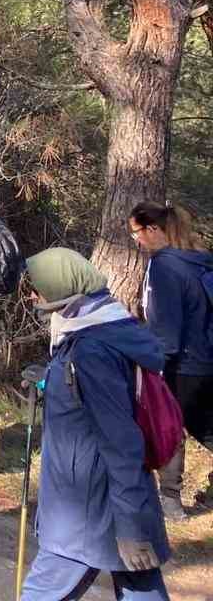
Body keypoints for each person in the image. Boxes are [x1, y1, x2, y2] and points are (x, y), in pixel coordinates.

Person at [20, 248, 171, 601]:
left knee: (42, 593)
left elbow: (121, 441)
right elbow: (88, 398)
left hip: (87, 506)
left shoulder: (91, 350)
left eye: (36, 288)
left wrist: (131, 527)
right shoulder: (104, 326)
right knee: (141, 587)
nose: (31, 296)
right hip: (101, 498)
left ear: (61, 287)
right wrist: (48, 381)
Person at [131, 201, 213, 519]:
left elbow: (165, 327)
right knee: (205, 427)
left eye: (136, 232)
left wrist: (153, 364)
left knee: (168, 427)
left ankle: (170, 502)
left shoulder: (163, 266)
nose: (136, 240)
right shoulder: (198, 261)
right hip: (206, 359)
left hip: (181, 363)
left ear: (153, 229)